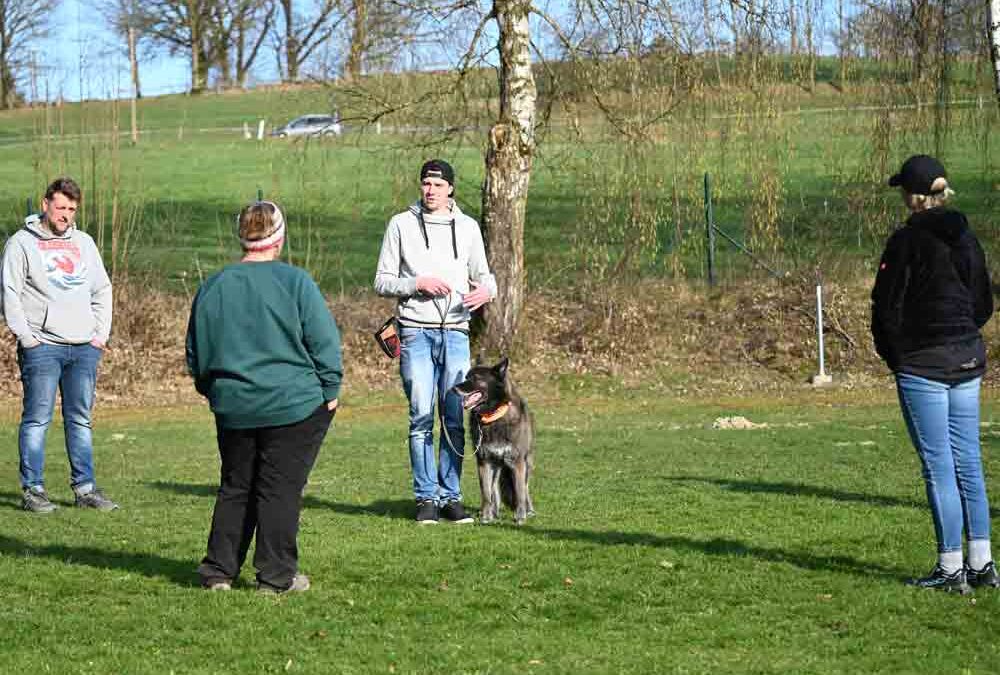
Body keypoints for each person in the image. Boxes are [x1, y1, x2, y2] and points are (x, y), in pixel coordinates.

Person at [186, 200, 342, 593]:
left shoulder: (214, 285)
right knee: (279, 489)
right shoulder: (296, 282)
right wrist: (331, 389)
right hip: (293, 403)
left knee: (236, 486)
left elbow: (197, 352)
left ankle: (218, 571)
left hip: (234, 403)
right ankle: (275, 576)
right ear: (279, 236)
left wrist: (215, 390)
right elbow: (324, 342)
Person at [872, 154, 997, 593]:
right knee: (968, 461)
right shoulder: (967, 238)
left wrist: (897, 357)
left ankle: (950, 568)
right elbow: (983, 302)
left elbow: (885, 308)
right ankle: (981, 563)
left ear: (913, 196)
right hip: (967, 358)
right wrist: (961, 335)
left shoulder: (904, 244)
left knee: (938, 464)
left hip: (923, 364)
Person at [374, 159, 496, 525]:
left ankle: (451, 497)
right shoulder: (400, 224)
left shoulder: (469, 227)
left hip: (457, 333)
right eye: (426, 183)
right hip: (415, 333)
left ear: (451, 189)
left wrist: (487, 291)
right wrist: (415, 284)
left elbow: (485, 276)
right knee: (421, 417)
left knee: (455, 418)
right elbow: (381, 281)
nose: (431, 191)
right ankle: (425, 498)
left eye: (438, 185)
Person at [1, 177, 117, 513]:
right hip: (43, 347)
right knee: (37, 418)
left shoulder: (84, 242)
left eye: (72, 209)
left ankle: (85, 490)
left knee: (80, 419)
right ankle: (33, 491)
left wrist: (100, 336)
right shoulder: (21, 243)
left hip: (84, 348)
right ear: (45, 203)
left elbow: (102, 289)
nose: (65, 214)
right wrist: (28, 339)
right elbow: (9, 293)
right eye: (61, 206)